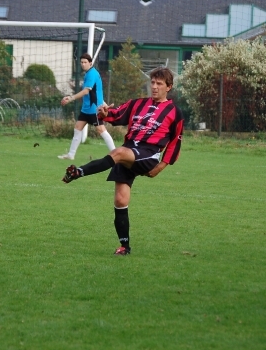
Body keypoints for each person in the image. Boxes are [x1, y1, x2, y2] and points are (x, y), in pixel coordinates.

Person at [62, 67, 184, 256]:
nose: (154, 86)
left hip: (148, 154)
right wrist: (103, 114)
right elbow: (116, 115)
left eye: (159, 84)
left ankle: (78, 172)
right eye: (152, 82)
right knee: (120, 200)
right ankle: (124, 246)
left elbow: (176, 141)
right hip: (130, 150)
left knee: (118, 152)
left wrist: (161, 166)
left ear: (169, 87)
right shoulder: (137, 103)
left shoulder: (174, 112)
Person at [58, 53, 115, 160]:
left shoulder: (92, 74)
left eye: (85, 62)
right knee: (78, 128)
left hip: (94, 109)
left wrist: (70, 98)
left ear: (90, 63)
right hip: (86, 109)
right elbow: (95, 92)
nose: (83, 64)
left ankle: (116, 154)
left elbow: (85, 91)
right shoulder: (88, 73)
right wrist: (104, 103)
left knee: (101, 130)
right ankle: (71, 155)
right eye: (82, 62)